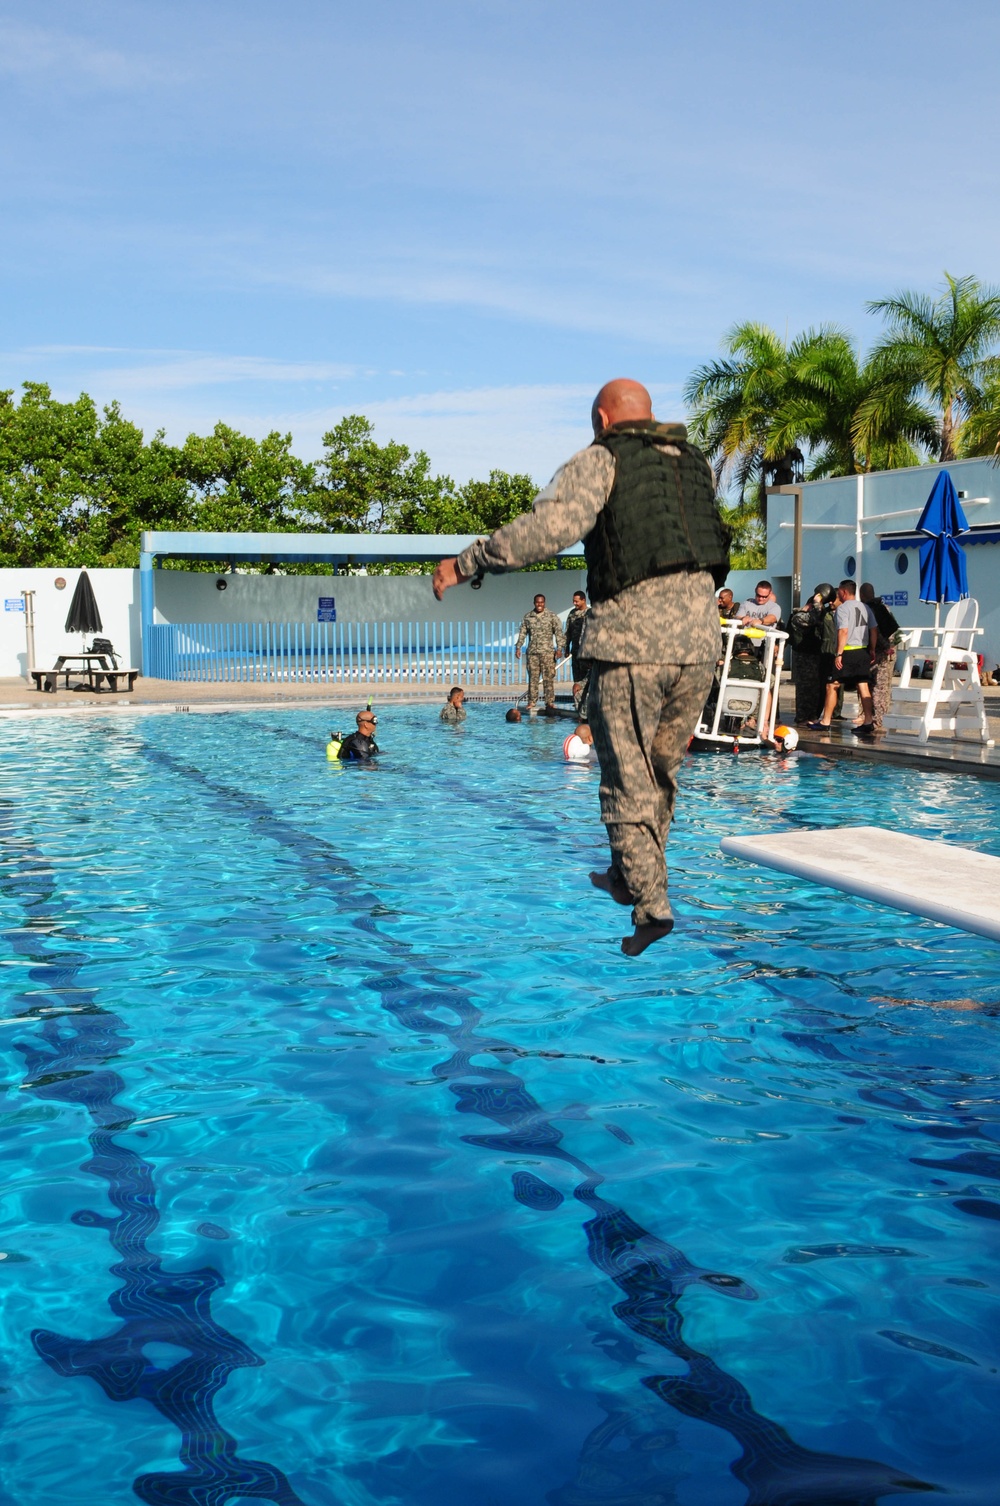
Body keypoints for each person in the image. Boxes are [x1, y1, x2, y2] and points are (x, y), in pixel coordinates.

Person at [432, 377, 729, 956]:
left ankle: (651, 906)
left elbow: (544, 532)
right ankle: (628, 874)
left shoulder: (603, 458)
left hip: (632, 644)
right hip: (700, 646)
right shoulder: (696, 467)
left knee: (625, 776)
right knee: (662, 771)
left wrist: (465, 562)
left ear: (601, 418)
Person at [808, 580, 877, 736]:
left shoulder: (843, 609)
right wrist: (872, 649)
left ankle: (825, 721)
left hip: (848, 651)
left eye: (839, 591)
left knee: (832, 685)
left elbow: (843, 631)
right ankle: (868, 721)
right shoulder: (865, 607)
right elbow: (874, 630)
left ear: (844, 592)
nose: (837, 594)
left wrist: (839, 654)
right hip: (863, 651)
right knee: (863, 686)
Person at [788, 583, 830, 725]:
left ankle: (812, 716)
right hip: (804, 657)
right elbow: (814, 619)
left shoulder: (817, 613)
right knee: (804, 689)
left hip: (814, 655)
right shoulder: (799, 617)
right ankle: (802, 717)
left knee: (814, 689)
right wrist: (817, 603)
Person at [859, 583, 899, 731]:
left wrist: (884, 647)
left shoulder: (868, 610)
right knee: (883, 688)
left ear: (862, 595)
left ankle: (877, 720)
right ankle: (879, 718)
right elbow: (894, 631)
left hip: (878, 652)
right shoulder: (884, 608)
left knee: (876, 688)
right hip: (888, 652)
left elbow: (875, 631)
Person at [515, 593, 564, 713]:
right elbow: (522, 633)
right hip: (533, 653)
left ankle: (550, 702)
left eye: (541, 602)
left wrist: (559, 648)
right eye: (537, 602)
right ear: (534, 603)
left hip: (548, 653)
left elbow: (558, 633)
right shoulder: (528, 617)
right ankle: (532, 701)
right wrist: (518, 647)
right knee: (533, 678)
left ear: (544, 603)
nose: (539, 605)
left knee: (548, 679)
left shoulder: (552, 616)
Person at [564, 589, 593, 719]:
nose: (574, 603)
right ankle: (579, 707)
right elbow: (568, 632)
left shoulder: (589, 613)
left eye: (577, 601)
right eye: (573, 601)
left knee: (587, 679)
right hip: (575, 651)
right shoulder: (572, 613)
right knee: (577, 680)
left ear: (583, 600)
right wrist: (566, 647)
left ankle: (587, 707)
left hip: (586, 653)